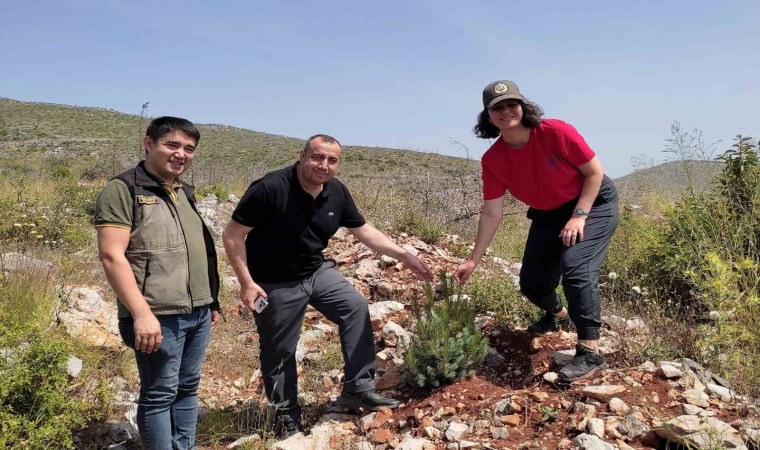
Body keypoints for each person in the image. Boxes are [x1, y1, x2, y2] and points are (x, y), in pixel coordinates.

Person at [223, 134, 434, 434]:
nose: (324, 165)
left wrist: (403, 254)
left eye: (332, 160)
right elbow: (233, 235)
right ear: (302, 155)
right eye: (317, 157)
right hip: (274, 281)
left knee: (355, 306)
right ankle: (285, 415)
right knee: (279, 349)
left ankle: (359, 388)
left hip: (315, 270)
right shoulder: (270, 188)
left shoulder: (336, 191)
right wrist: (246, 282)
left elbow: (363, 230)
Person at [454, 80, 619, 383]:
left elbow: (595, 173)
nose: (506, 111)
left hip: (592, 203)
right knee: (532, 284)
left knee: (576, 268)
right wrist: (473, 260)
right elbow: (492, 212)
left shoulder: (555, 131)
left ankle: (590, 351)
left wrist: (579, 216)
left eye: (511, 104)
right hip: (548, 213)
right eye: (497, 107)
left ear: (523, 107)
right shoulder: (493, 160)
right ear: (487, 116)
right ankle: (559, 317)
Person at [94, 117, 221, 449]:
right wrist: (141, 314)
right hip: (157, 315)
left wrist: (211, 301)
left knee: (187, 388)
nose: (181, 154)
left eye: (189, 148)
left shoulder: (183, 191)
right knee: (160, 393)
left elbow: (199, 251)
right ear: (149, 144)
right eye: (172, 145)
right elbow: (111, 256)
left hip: (198, 311)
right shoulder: (124, 189)